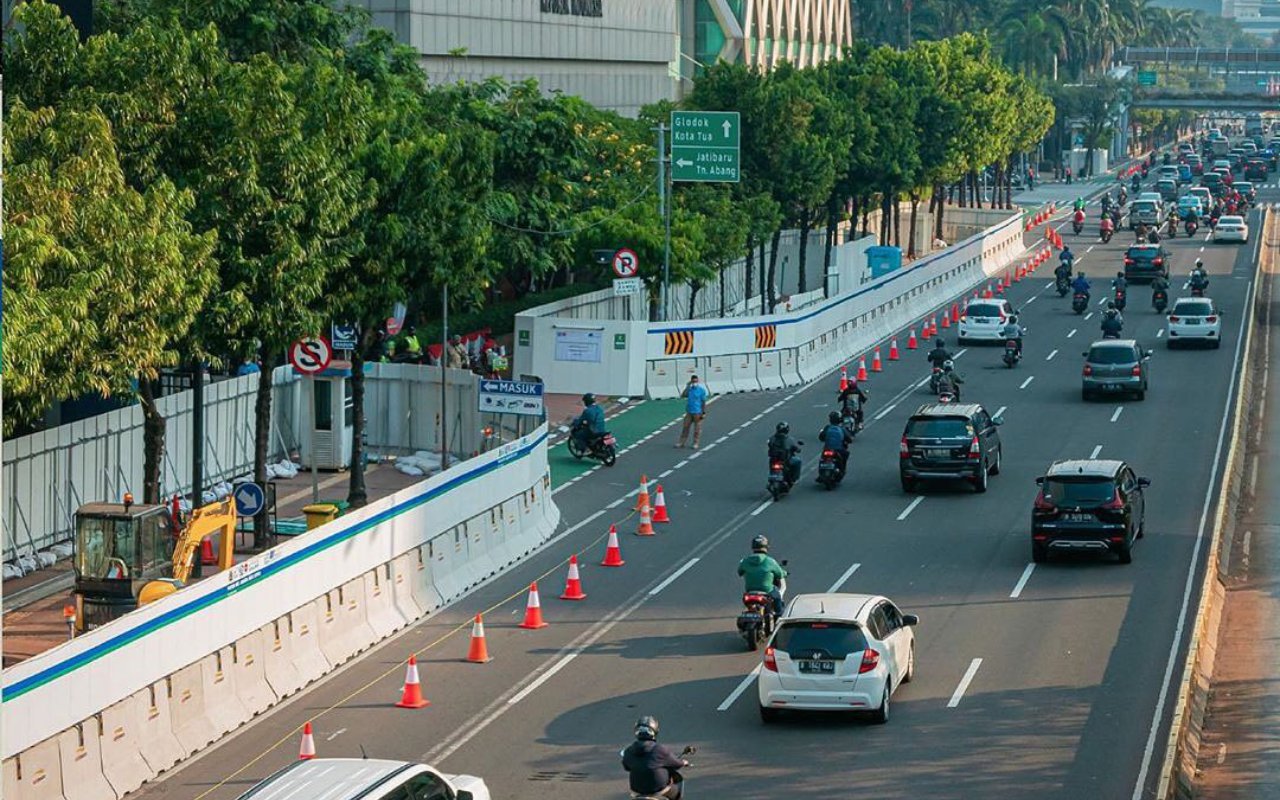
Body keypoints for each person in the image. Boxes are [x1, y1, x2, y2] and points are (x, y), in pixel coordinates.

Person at [621, 716, 689, 800]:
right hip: (659, 791)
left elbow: (626, 767)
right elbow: (677, 764)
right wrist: (683, 762)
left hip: (636, 791)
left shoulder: (628, 750)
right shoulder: (660, 750)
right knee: (676, 793)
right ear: (655, 731)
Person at [737, 535, 787, 619]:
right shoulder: (770, 561)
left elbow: (740, 572)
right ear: (766, 546)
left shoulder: (745, 561)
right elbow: (780, 574)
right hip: (767, 591)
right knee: (778, 598)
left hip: (750, 591)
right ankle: (779, 618)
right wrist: (785, 573)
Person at [676, 375, 710, 449]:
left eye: (696, 381)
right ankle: (681, 442)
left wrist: (703, 412)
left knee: (697, 429)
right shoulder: (690, 390)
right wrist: (687, 386)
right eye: (693, 381)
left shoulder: (701, 390)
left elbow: (703, 402)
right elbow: (683, 395)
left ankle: (695, 443)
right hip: (689, 412)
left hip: (697, 412)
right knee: (685, 427)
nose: (695, 383)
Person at [819, 411, 853, 475]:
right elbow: (849, 439)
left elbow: (821, 437)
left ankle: (820, 473)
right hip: (838, 449)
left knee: (822, 457)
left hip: (827, 449)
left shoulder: (827, 427)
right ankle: (842, 470)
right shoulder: (842, 428)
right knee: (846, 454)